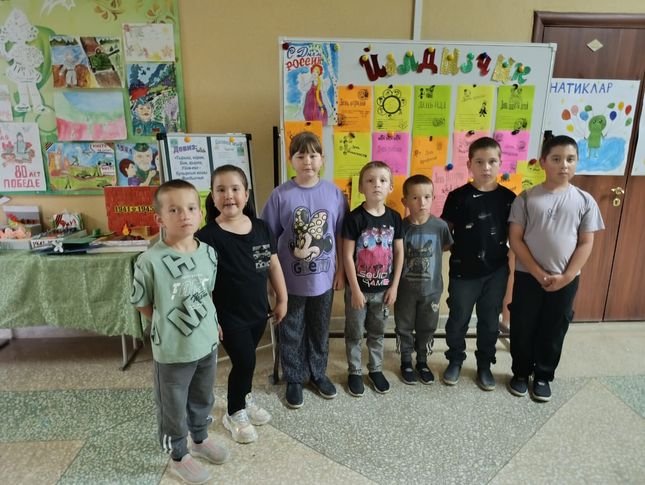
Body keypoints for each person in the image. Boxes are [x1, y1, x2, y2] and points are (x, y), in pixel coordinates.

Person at [131, 179, 229, 484]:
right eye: (174, 210)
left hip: (206, 343)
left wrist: (212, 323)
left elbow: (207, 294)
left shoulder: (209, 253)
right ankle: (178, 453)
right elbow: (142, 303)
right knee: (172, 405)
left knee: (203, 395)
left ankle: (199, 438)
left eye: (190, 208)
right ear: (159, 218)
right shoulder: (149, 260)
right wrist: (166, 322)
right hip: (173, 350)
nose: (184, 215)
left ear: (200, 213)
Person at [507, 135, 604, 402]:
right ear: (543, 162)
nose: (564, 165)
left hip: (566, 279)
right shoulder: (526, 198)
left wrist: (567, 276)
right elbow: (516, 239)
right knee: (523, 324)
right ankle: (520, 373)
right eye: (557, 159)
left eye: (570, 159)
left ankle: (543, 375)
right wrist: (537, 272)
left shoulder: (585, 200)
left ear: (577, 162)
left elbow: (586, 243)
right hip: (528, 275)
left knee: (554, 326)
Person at [196, 165, 288, 443]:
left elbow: (274, 265)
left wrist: (282, 298)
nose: (228, 195)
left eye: (235, 189)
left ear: (246, 194)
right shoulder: (207, 236)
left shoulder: (261, 228)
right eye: (221, 189)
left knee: (247, 362)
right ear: (213, 197)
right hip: (228, 317)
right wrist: (211, 318)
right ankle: (234, 412)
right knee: (245, 361)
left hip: (258, 312)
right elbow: (202, 284)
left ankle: (244, 397)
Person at [261, 131, 347, 408]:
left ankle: (318, 373)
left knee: (319, 328)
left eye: (313, 155)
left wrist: (341, 271)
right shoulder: (280, 195)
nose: (307, 161)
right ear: (291, 160)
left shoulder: (334, 194)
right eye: (300, 156)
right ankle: (294, 377)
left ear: (322, 159)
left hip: (324, 279)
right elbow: (268, 238)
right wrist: (271, 280)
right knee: (291, 329)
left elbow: (340, 236)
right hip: (290, 282)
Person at [440, 137, 516, 391]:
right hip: (463, 273)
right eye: (480, 162)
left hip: (496, 272)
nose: (486, 167)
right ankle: (455, 360)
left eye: (492, 161)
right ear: (469, 164)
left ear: (500, 163)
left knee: (489, 321)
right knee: (458, 319)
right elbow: (445, 234)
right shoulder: (458, 197)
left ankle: (484, 364)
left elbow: (516, 236)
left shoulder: (509, 198)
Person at [342, 161, 403, 396]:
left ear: (390, 187)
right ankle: (355, 371)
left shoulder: (395, 218)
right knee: (355, 332)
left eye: (382, 180)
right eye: (370, 180)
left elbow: (399, 253)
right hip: (358, 290)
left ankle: (375, 369)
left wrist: (394, 286)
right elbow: (347, 256)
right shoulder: (354, 218)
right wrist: (355, 290)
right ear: (361, 187)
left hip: (383, 290)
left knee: (377, 332)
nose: (376, 184)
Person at [395, 174, 453, 385]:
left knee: (427, 326)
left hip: (431, 290)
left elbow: (444, 247)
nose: (422, 203)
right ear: (405, 201)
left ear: (433, 198)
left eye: (427, 197)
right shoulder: (400, 227)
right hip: (404, 290)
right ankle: (405, 361)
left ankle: (422, 361)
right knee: (404, 326)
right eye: (415, 198)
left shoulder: (440, 227)